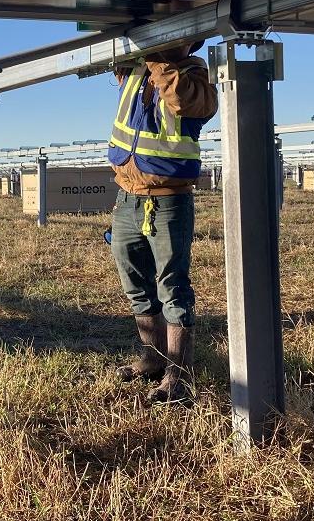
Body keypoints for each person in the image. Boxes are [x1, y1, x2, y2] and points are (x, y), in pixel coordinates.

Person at [107, 41, 217, 403]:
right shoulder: (137, 69)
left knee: (172, 286)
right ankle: (152, 358)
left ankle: (177, 375)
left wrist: (157, 57)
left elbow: (186, 101)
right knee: (135, 283)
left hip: (168, 200)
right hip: (127, 197)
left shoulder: (195, 76)